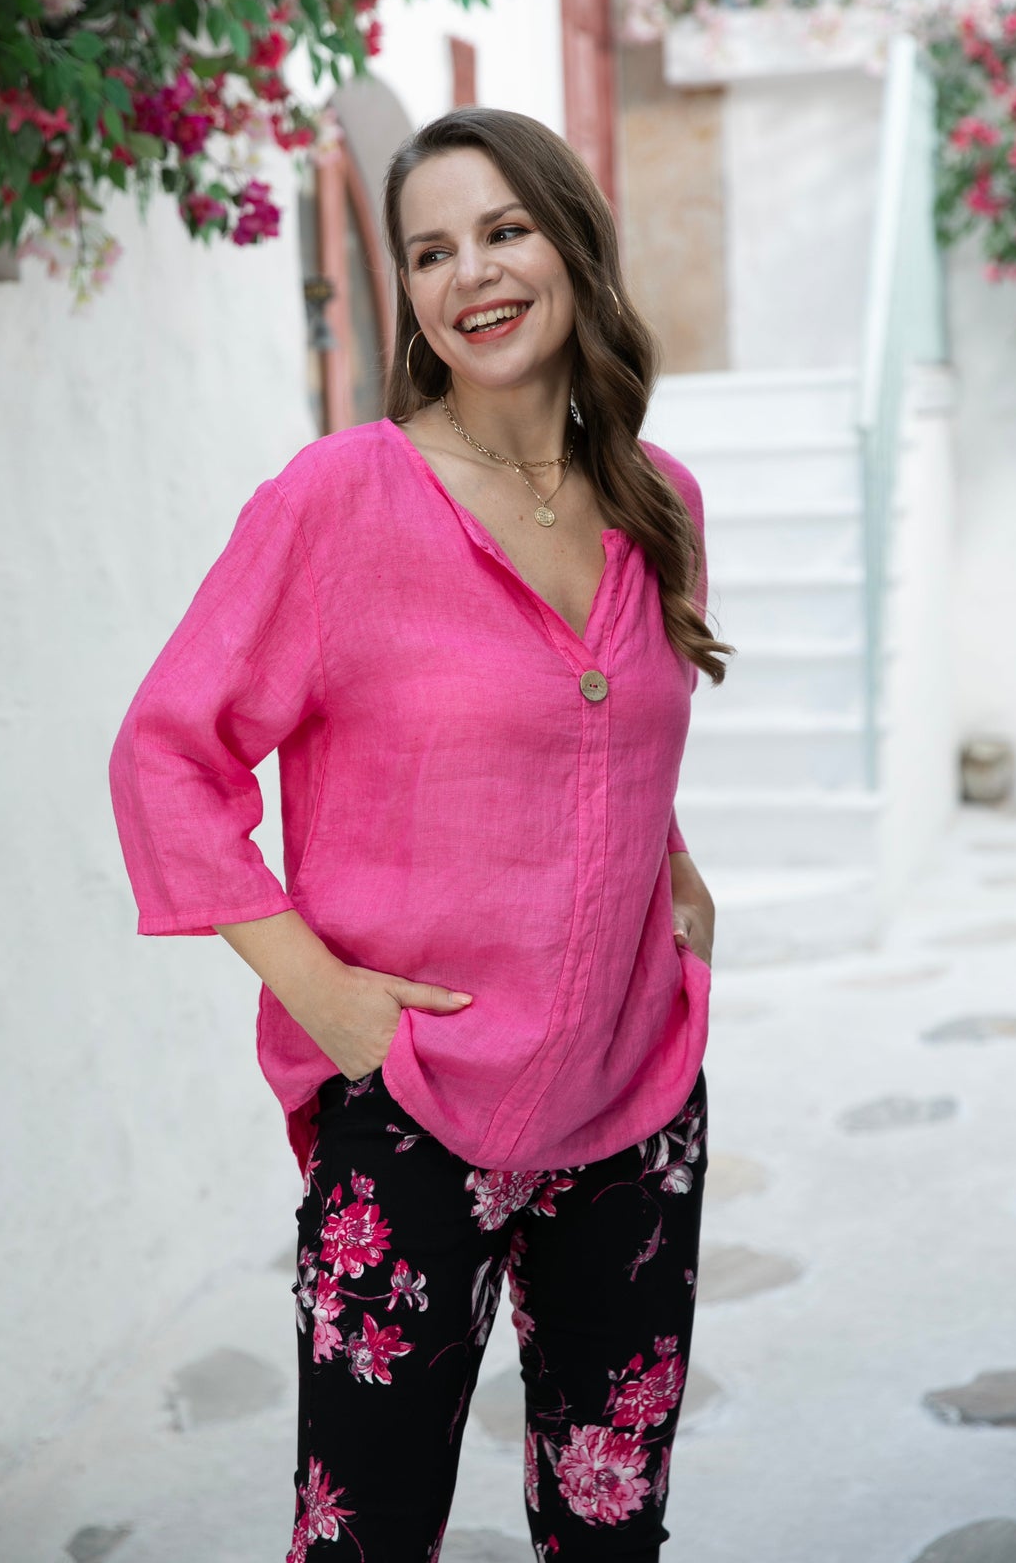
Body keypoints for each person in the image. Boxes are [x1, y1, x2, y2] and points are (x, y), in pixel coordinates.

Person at [108, 106, 732, 1561]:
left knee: (611, 1527)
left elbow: (602, 721)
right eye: (433, 250)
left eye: (506, 230)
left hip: (636, 1095)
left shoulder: (661, 501)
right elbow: (166, 757)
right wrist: (322, 996)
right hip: (414, 1102)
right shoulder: (340, 500)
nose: (473, 274)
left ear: (574, 243)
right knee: (366, 1537)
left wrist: (674, 863)